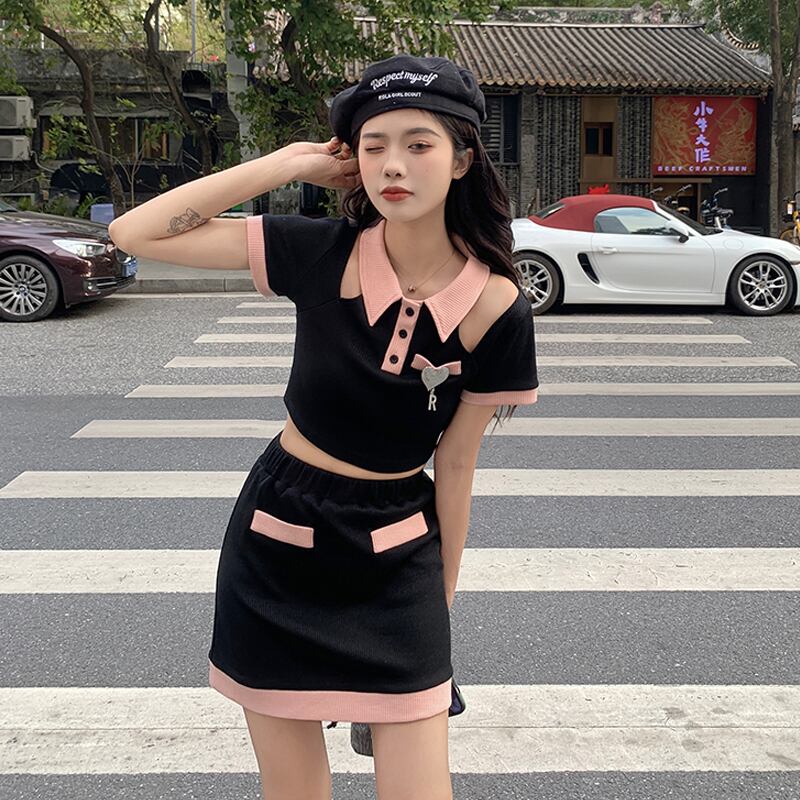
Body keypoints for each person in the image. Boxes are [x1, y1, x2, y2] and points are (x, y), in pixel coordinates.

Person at [108, 52, 538, 800]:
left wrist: (438, 608)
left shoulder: (497, 305)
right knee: (295, 789)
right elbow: (135, 233)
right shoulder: (317, 250)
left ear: (463, 159)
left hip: (399, 548)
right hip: (279, 537)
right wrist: (283, 165)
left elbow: (457, 463)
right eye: (374, 146)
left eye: (419, 144)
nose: (393, 164)